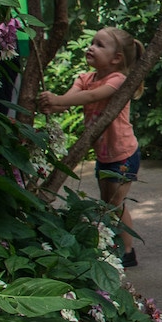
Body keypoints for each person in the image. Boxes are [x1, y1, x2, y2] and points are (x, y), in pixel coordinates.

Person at [40, 27, 145, 268]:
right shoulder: (84, 78)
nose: (91, 47)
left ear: (117, 58)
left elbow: (90, 98)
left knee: (115, 205)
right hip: (105, 155)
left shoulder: (119, 80)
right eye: (92, 42)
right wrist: (50, 103)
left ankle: (127, 251)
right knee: (106, 203)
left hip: (123, 154)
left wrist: (58, 100)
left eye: (99, 45)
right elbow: (68, 100)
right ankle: (114, 246)